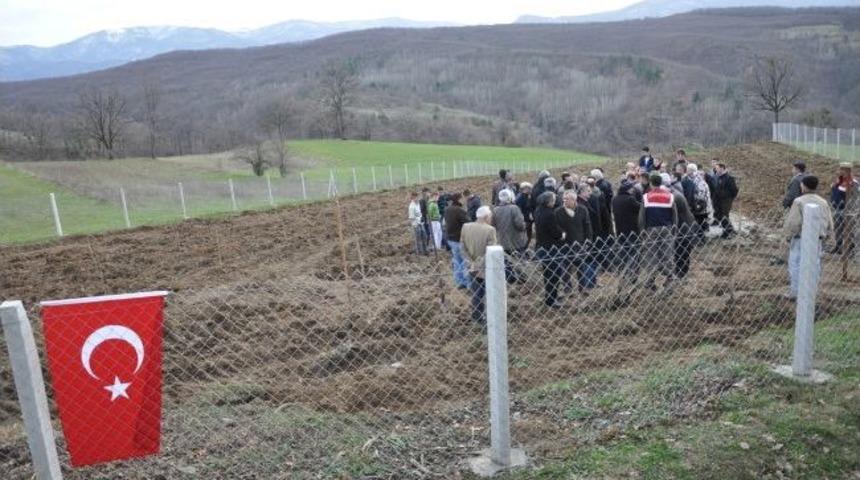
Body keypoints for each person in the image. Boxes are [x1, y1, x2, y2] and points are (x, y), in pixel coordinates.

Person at [784, 176, 834, 299]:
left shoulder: (799, 201)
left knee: (795, 264)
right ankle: (811, 291)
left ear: (804, 186)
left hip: (800, 238)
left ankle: (795, 292)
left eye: (801, 185)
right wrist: (828, 234)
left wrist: (788, 235)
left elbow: (794, 223)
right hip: (817, 239)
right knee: (814, 264)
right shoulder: (823, 202)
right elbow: (829, 221)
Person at [639, 173, 679, 291]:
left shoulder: (646, 197)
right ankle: (670, 278)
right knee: (667, 254)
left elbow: (642, 216)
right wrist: (674, 227)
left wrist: (642, 230)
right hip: (666, 228)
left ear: (651, 183)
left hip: (651, 229)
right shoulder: (670, 196)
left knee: (651, 255)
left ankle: (650, 281)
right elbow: (674, 214)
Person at [461, 206, 498, 324]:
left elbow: (462, 247)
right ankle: (488, 316)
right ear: (486, 217)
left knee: (476, 293)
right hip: (485, 267)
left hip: (471, 267)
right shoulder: (490, 230)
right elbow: (490, 251)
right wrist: (478, 264)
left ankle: (477, 316)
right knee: (489, 292)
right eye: (490, 216)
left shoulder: (466, 227)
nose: (491, 218)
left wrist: (470, 263)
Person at [555, 189, 594, 297]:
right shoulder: (558, 211)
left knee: (581, 267)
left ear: (573, 200)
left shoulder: (582, 209)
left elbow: (587, 225)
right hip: (565, 244)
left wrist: (588, 239)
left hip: (580, 243)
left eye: (566, 199)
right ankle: (568, 289)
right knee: (565, 269)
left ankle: (582, 288)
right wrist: (561, 233)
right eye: (563, 199)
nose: (564, 201)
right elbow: (556, 226)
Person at [534, 191, 565, 308]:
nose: (554, 201)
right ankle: (552, 300)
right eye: (552, 200)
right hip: (551, 247)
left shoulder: (537, 211)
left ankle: (550, 297)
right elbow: (555, 231)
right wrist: (562, 234)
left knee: (548, 274)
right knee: (555, 274)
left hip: (541, 246)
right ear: (548, 202)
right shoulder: (550, 214)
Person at [663, 172, 697, 280]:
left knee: (682, 251)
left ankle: (681, 274)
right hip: (685, 226)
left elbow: (674, 216)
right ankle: (680, 272)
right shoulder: (674, 193)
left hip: (684, 227)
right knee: (680, 251)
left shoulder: (674, 197)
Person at [612, 180, 642, 295]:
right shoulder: (630, 199)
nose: (632, 190)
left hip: (620, 231)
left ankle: (622, 272)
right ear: (628, 189)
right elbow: (640, 207)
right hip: (632, 231)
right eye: (631, 188)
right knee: (634, 254)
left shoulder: (615, 199)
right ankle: (632, 275)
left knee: (624, 252)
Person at [492, 189, 527, 283]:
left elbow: (493, 225)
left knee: (507, 261)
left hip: (503, 241)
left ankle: (510, 279)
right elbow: (520, 225)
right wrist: (525, 226)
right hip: (516, 240)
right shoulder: (514, 208)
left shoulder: (495, 210)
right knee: (519, 260)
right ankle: (522, 278)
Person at [830, 162, 859, 255]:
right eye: (840, 169)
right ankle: (838, 247)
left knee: (848, 229)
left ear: (848, 170)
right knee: (837, 228)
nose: (840, 171)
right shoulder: (839, 181)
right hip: (837, 208)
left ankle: (849, 248)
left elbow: (854, 197)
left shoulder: (853, 182)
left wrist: (851, 209)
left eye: (842, 169)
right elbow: (835, 194)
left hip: (848, 210)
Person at [444, 193, 470, 289]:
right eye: (462, 198)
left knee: (456, 260)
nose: (464, 200)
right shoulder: (459, 210)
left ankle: (459, 282)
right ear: (458, 200)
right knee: (465, 261)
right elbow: (467, 223)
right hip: (459, 239)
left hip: (450, 239)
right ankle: (468, 283)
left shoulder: (447, 210)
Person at [712, 162, 739, 238]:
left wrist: (729, 198)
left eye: (717, 168)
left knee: (724, 216)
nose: (715, 170)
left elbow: (734, 190)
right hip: (719, 201)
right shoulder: (717, 177)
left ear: (722, 168)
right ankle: (730, 229)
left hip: (726, 201)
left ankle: (727, 233)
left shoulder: (729, 178)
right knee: (720, 216)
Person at [687, 164, 713, 237]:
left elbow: (700, 195)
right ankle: (703, 232)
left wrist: (694, 202)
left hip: (701, 206)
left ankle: (701, 238)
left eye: (688, 170)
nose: (687, 171)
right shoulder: (693, 179)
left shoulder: (698, 181)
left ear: (692, 171)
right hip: (700, 205)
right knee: (700, 221)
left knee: (699, 221)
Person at [515, 182, 534, 248]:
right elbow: (519, 211)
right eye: (529, 188)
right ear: (525, 189)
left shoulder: (526, 196)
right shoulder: (520, 198)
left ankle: (525, 249)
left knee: (528, 236)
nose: (531, 190)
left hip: (528, 219)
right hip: (525, 221)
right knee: (525, 237)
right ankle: (523, 249)